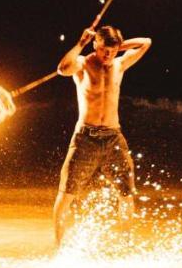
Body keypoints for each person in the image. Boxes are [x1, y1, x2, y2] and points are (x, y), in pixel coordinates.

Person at [51, 25, 152, 247]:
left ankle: (125, 245)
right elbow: (62, 68)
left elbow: (146, 41)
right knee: (66, 193)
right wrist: (82, 44)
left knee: (126, 193)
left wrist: (117, 47)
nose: (108, 55)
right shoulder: (83, 64)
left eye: (112, 51)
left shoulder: (120, 63)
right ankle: (59, 249)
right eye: (105, 50)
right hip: (85, 137)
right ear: (96, 45)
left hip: (114, 137)